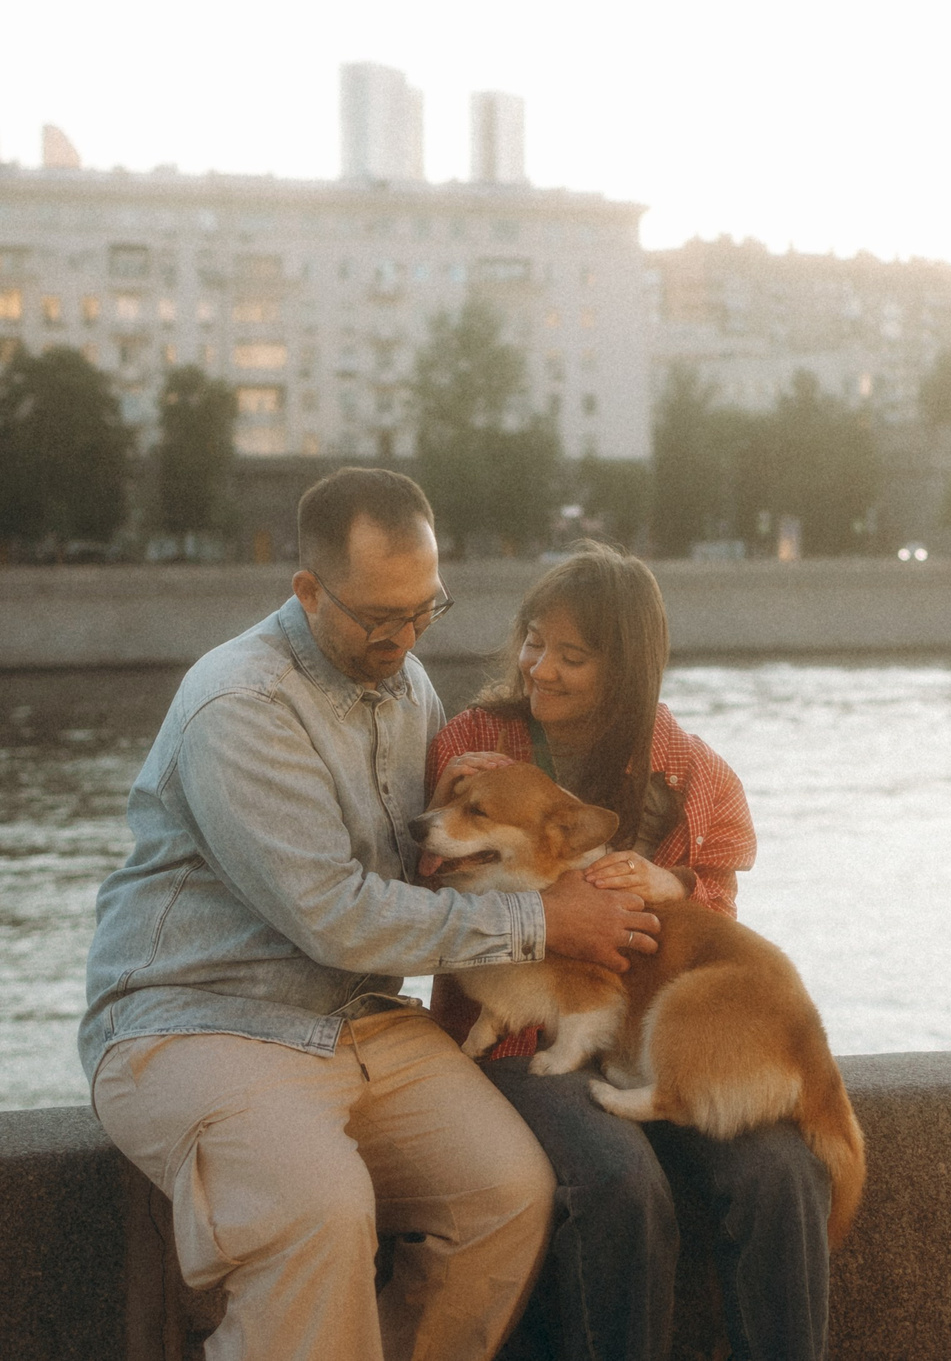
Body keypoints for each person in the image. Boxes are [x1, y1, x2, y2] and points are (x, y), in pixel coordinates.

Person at [80, 470, 664, 1361]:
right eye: (378, 616)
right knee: (322, 1208)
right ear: (308, 591)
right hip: (199, 1020)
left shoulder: (405, 686)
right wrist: (544, 920)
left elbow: (413, 877)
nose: (404, 635)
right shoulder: (240, 704)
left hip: (355, 1019)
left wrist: (457, 825)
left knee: (508, 1191)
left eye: (424, 609)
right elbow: (336, 916)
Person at [427, 544, 833, 1361]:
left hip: (653, 1033)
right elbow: (422, 883)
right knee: (621, 1184)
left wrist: (673, 881)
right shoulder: (472, 741)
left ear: (627, 667)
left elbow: (718, 897)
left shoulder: (686, 769)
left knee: (782, 1173)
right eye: (533, 641)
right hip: (515, 1033)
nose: (540, 667)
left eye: (571, 655)